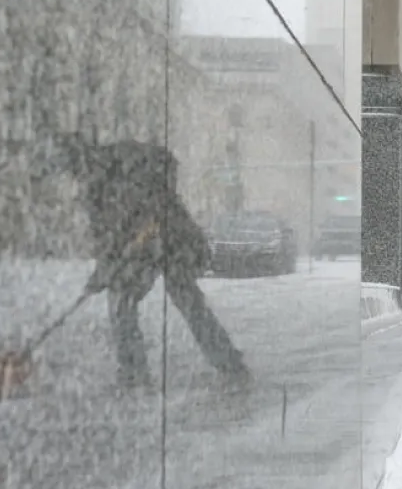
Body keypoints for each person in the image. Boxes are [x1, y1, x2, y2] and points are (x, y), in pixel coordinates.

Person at [41, 133, 251, 389]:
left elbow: (151, 206)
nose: (70, 179)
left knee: (181, 302)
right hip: (149, 246)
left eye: (67, 171)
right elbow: (109, 240)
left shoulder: (117, 166)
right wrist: (102, 273)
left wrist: (142, 231)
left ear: (76, 161)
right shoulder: (96, 185)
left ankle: (226, 366)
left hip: (170, 239)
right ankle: (137, 373)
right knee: (129, 301)